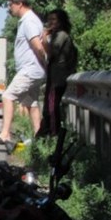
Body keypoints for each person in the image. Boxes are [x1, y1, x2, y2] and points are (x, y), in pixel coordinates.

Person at [0, 0, 47, 153]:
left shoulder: (29, 21)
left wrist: (45, 63)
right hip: (33, 69)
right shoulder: (29, 20)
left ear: (19, 4)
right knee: (31, 103)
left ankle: (4, 134)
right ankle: (38, 140)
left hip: (30, 69)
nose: (9, 8)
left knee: (7, 96)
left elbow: (36, 45)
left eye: (11, 5)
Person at [37, 9, 77, 137]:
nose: (50, 22)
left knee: (52, 109)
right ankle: (48, 133)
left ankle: (54, 135)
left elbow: (51, 53)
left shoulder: (61, 35)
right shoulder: (56, 35)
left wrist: (43, 38)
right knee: (48, 108)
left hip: (58, 78)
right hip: (54, 76)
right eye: (49, 20)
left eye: (54, 19)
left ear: (61, 21)